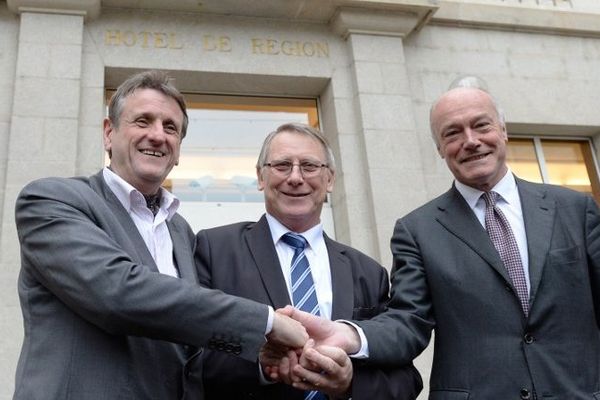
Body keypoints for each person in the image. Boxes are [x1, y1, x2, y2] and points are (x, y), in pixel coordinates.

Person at [281, 78, 600, 399]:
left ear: (503, 131)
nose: (471, 141)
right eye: (453, 133)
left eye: (481, 126)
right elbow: (408, 319)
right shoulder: (417, 230)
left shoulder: (575, 209)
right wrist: (350, 335)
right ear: (439, 149)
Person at [12, 70, 307, 400]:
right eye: (143, 121)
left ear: (179, 149)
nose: (157, 135)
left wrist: (259, 355)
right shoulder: (52, 200)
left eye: (171, 128)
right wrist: (265, 322)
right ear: (109, 134)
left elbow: (186, 334)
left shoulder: (181, 231)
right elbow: (118, 292)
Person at [194, 122, 422, 399]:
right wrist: (264, 366)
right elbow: (189, 357)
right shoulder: (214, 250)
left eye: (310, 166)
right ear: (260, 177)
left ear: (330, 179)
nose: (295, 177)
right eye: (281, 165)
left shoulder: (368, 272)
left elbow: (406, 381)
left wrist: (349, 383)